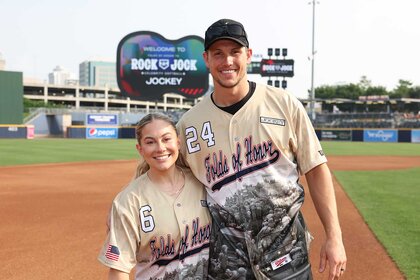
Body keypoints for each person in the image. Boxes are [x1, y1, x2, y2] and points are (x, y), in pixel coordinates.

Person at [177, 19, 347, 279]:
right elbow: (169, 182)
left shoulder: (284, 104)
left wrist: (334, 237)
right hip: (227, 264)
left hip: (288, 255)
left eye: (235, 52)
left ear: (248, 55)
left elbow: (315, 169)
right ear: (206, 59)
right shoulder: (188, 125)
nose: (228, 61)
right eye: (218, 54)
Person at [98, 113, 212, 280]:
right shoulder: (129, 201)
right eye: (150, 142)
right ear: (140, 149)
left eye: (166, 139)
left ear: (178, 142)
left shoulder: (201, 182)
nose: (160, 148)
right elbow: (118, 269)